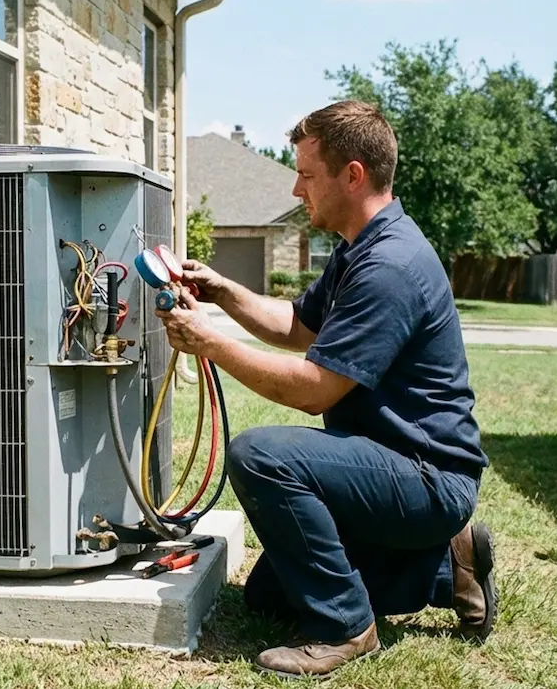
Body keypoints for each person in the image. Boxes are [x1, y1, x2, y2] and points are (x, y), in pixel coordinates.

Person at [155, 100, 496, 678]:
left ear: (353, 175)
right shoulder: (357, 248)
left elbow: (316, 391)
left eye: (307, 174)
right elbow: (299, 326)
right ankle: (447, 564)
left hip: (427, 473)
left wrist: (209, 343)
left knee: (260, 456)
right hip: (390, 461)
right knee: (270, 593)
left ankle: (345, 627)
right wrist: (222, 293)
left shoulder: (389, 264)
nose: (295, 188)